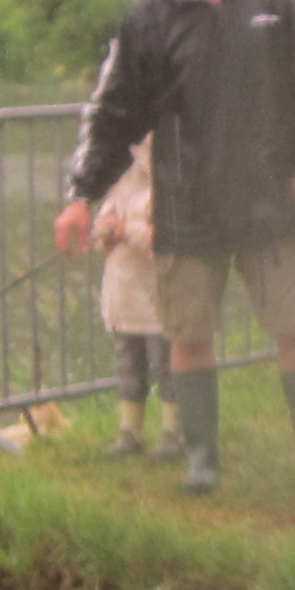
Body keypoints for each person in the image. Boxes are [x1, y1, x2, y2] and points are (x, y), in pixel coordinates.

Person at [57, 0, 295, 498]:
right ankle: (202, 461)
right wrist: (81, 197)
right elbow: (115, 114)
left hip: (270, 197)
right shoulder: (147, 16)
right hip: (188, 203)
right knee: (189, 335)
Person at [95, 138, 166, 452]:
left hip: (158, 293)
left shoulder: (167, 182)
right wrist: (105, 231)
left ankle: (173, 430)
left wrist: (128, 232)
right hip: (123, 293)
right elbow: (104, 220)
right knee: (129, 363)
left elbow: (164, 239)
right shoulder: (121, 181)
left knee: (165, 363)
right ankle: (130, 431)